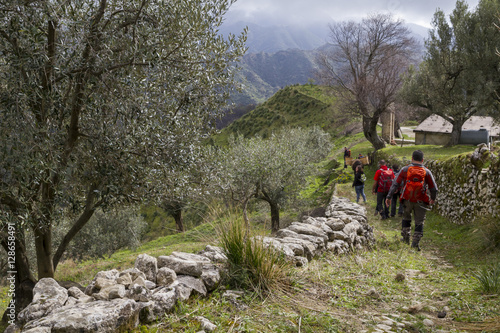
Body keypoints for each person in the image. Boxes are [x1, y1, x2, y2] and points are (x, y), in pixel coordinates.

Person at [386, 150, 438, 251]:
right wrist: (432, 199)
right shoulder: (427, 172)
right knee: (419, 221)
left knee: (406, 218)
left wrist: (389, 197)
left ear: (412, 158)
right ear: (422, 160)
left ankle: (405, 239)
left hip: (407, 199)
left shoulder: (405, 169)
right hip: (421, 201)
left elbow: (395, 184)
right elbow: (434, 188)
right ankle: (415, 243)